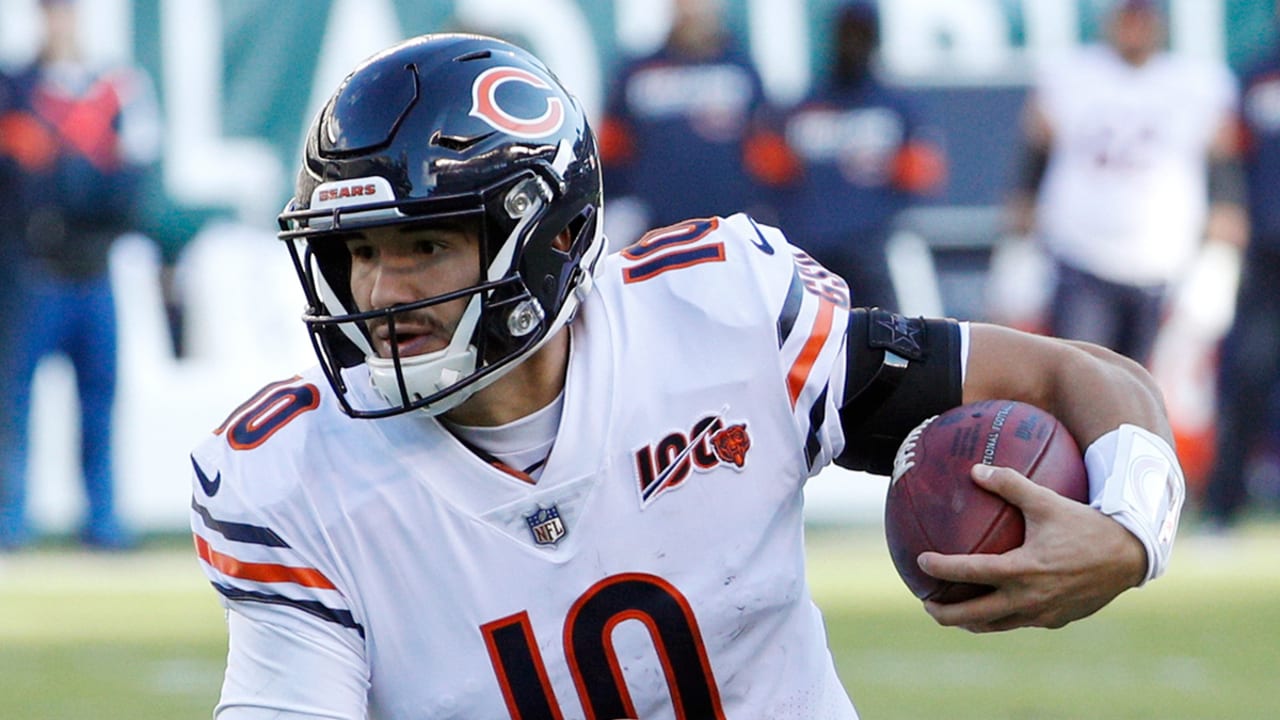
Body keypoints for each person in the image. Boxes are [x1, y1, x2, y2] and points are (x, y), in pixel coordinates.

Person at [190, 33, 1186, 718]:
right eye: (355, 253)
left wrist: (1130, 531)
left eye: (423, 248)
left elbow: (1074, 376)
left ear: (554, 237)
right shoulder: (292, 475)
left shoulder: (718, 321)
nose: (378, 290)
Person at [0, 0, 161, 550]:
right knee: (13, 405)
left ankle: (103, 522)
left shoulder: (115, 89)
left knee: (98, 402)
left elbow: (134, 180)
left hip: (93, 269)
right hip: (33, 271)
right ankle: (10, 521)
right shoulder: (14, 89)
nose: (58, 22)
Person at [1007, 0, 1247, 366]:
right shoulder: (1069, 73)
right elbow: (1038, 146)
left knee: (1150, 381)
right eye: (1127, 19)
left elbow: (1222, 159)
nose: (1134, 29)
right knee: (1083, 370)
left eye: (1142, 20)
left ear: (1159, 24)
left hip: (1165, 257)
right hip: (1080, 250)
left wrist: (1223, 232)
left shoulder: (1198, 82)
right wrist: (1022, 214)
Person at [776, 1, 946, 312]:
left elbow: (922, 177)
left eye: (862, 33)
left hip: (872, 248)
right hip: (810, 249)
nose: (854, 43)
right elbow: (773, 174)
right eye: (848, 33)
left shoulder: (896, 107)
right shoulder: (804, 106)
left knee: (885, 340)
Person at [597, 0, 790, 242]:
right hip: (654, 225)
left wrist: (757, 206)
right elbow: (612, 153)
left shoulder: (741, 70)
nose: (692, 9)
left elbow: (769, 155)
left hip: (726, 221)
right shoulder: (638, 71)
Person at [1201, 12, 1280, 530]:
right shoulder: (1258, 77)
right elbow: (1228, 152)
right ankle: (1223, 508)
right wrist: (1228, 205)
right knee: (1248, 374)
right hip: (1268, 252)